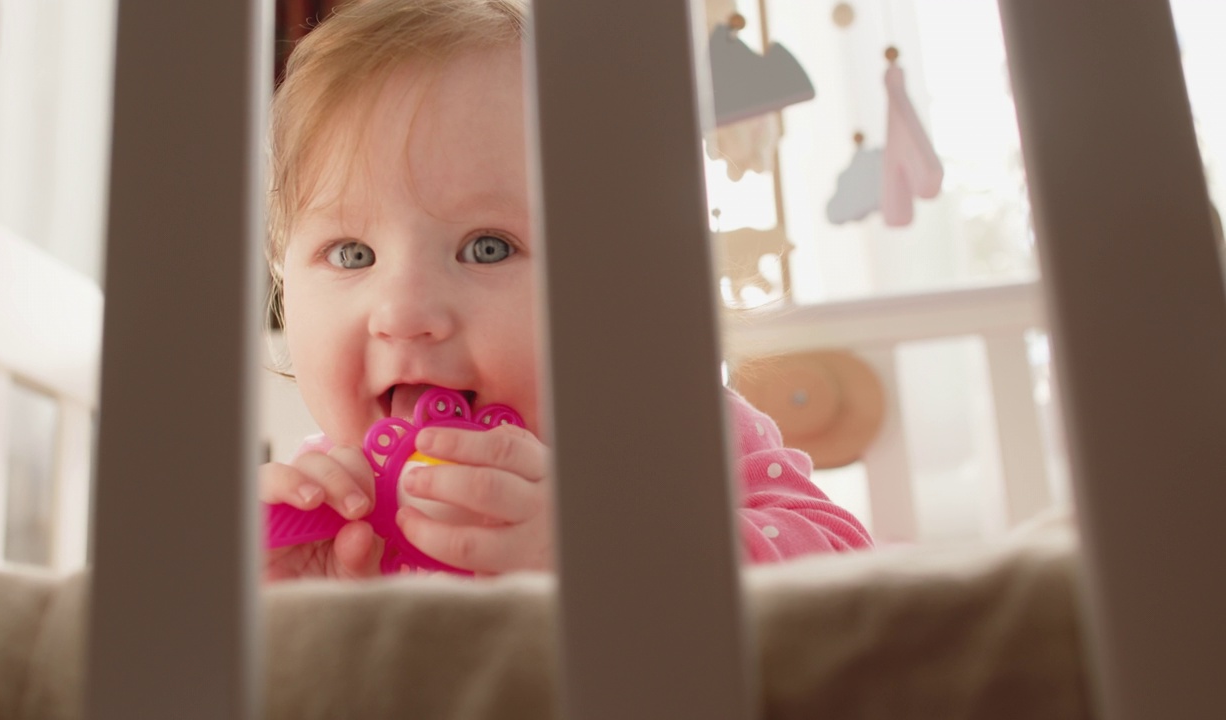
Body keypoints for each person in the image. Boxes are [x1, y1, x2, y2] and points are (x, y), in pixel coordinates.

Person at [259, 0, 872, 582]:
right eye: (350, 254)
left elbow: (846, 570)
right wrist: (287, 603)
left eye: (487, 247)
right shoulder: (325, 502)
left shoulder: (669, 433)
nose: (404, 314)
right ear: (283, 281)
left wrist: (610, 545)